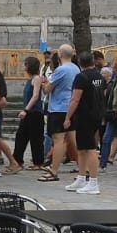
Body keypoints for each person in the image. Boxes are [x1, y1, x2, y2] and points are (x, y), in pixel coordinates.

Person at [63, 51, 105, 194]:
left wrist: (68, 117)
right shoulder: (98, 75)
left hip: (85, 115)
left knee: (90, 149)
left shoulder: (81, 77)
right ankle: (81, 178)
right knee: (81, 148)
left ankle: (93, 181)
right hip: (96, 114)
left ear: (79, 63)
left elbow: (75, 99)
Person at [40, 45, 78, 181]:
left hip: (59, 107)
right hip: (70, 106)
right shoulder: (75, 68)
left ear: (60, 55)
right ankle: (82, 166)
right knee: (73, 138)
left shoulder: (61, 70)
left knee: (58, 139)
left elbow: (47, 90)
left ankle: (54, 169)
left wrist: (44, 83)